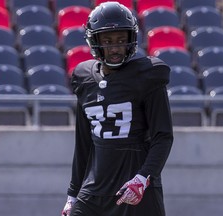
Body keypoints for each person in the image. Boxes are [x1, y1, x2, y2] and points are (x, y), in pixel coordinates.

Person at [61, 2, 173, 216]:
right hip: (93, 192)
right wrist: (72, 194)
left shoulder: (148, 74)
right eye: (108, 41)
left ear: (131, 40)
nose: (115, 48)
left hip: (134, 189)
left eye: (121, 40)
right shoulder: (84, 78)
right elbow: (83, 143)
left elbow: (163, 136)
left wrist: (143, 178)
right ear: (94, 40)